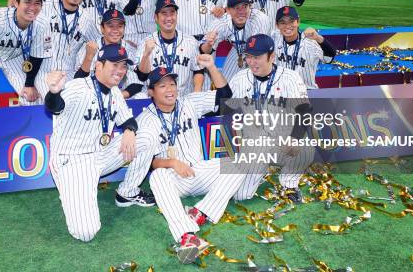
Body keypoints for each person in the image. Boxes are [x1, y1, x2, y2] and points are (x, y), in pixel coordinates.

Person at [45, 43, 159, 242]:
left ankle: (127, 192)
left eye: (123, 66)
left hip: (100, 154)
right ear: (98, 65)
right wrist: (53, 92)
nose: (120, 71)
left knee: (148, 136)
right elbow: (55, 107)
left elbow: (128, 120)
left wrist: (131, 131)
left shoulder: (114, 91)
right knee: (86, 233)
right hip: (72, 160)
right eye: (114, 65)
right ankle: (75, 190)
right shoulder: (78, 87)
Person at [138, 58, 245, 264]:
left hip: (198, 171)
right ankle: (186, 236)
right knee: (157, 177)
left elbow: (225, 96)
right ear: (151, 92)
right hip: (174, 179)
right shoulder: (145, 120)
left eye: (172, 84)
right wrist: (172, 163)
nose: (169, 89)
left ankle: (200, 212)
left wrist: (212, 67)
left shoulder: (189, 102)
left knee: (241, 161)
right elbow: (149, 163)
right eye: (162, 85)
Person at [228, 34, 313, 203]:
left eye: (257, 57)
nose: (251, 62)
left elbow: (305, 111)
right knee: (241, 196)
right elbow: (228, 112)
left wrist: (295, 138)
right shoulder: (239, 79)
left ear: (272, 56)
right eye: (249, 57)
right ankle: (259, 171)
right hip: (254, 145)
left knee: (306, 149)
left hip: (282, 141)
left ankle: (289, 184)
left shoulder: (290, 77)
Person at [33, 0, 101, 98]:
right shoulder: (44, 7)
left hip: (69, 75)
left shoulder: (86, 19)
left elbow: (97, 43)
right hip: (42, 72)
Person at [200, 0, 271, 86]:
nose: (241, 12)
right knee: (224, 83)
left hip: (261, 54)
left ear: (250, 7)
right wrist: (208, 44)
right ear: (228, 10)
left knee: (255, 78)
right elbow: (203, 51)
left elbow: (258, 50)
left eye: (244, 7)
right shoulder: (221, 23)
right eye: (236, 8)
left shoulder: (260, 19)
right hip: (237, 50)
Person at [136, 0, 204, 96]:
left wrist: (197, 92)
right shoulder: (145, 43)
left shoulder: (190, 41)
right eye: (164, 13)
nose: (169, 18)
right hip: (155, 101)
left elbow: (198, 70)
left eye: (172, 13)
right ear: (156, 17)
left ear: (177, 15)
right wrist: (146, 54)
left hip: (183, 99)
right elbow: (142, 76)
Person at [74, 8, 145, 99]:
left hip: (119, 94)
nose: (115, 30)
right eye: (110, 26)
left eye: (119, 26)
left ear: (124, 29)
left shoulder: (129, 48)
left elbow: (138, 83)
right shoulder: (90, 47)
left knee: (141, 96)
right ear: (102, 28)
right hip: (93, 95)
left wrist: (117, 96)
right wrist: (88, 57)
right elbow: (77, 81)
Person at [271, 6, 336, 89]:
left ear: (298, 22)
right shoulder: (274, 38)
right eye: (283, 22)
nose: (287, 26)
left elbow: (329, 58)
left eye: (291, 21)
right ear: (277, 25)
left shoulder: (310, 42)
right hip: (281, 91)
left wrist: (318, 38)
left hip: (306, 91)